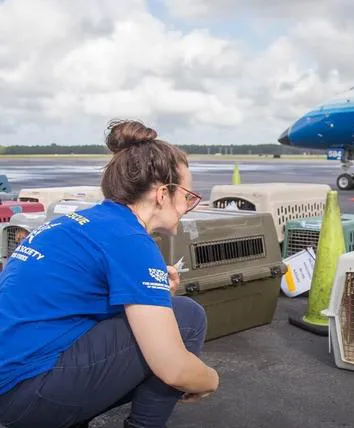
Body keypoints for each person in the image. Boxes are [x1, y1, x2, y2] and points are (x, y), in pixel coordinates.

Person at [0, 120, 219, 428]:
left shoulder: (77, 222)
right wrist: (208, 379)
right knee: (187, 318)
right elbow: (174, 370)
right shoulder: (130, 240)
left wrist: (153, 289)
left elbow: (65, 297)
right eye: (187, 195)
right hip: (25, 392)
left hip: (10, 379)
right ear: (162, 194)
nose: (188, 205)